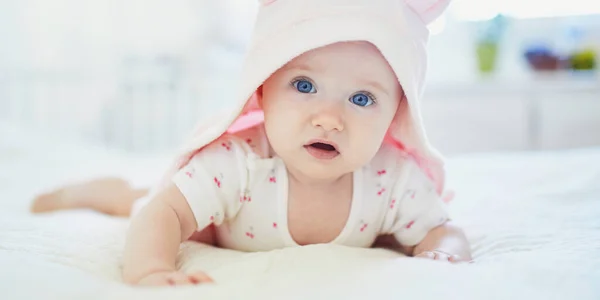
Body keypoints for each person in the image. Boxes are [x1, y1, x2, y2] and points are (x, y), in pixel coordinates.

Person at [32, 0, 472, 286]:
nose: (329, 118)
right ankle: (92, 190)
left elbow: (443, 229)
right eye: (303, 85)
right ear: (262, 91)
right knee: (140, 198)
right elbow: (163, 213)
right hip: (211, 221)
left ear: (397, 112)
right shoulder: (240, 161)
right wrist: (152, 270)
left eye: (362, 98)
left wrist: (442, 255)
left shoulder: (390, 176)